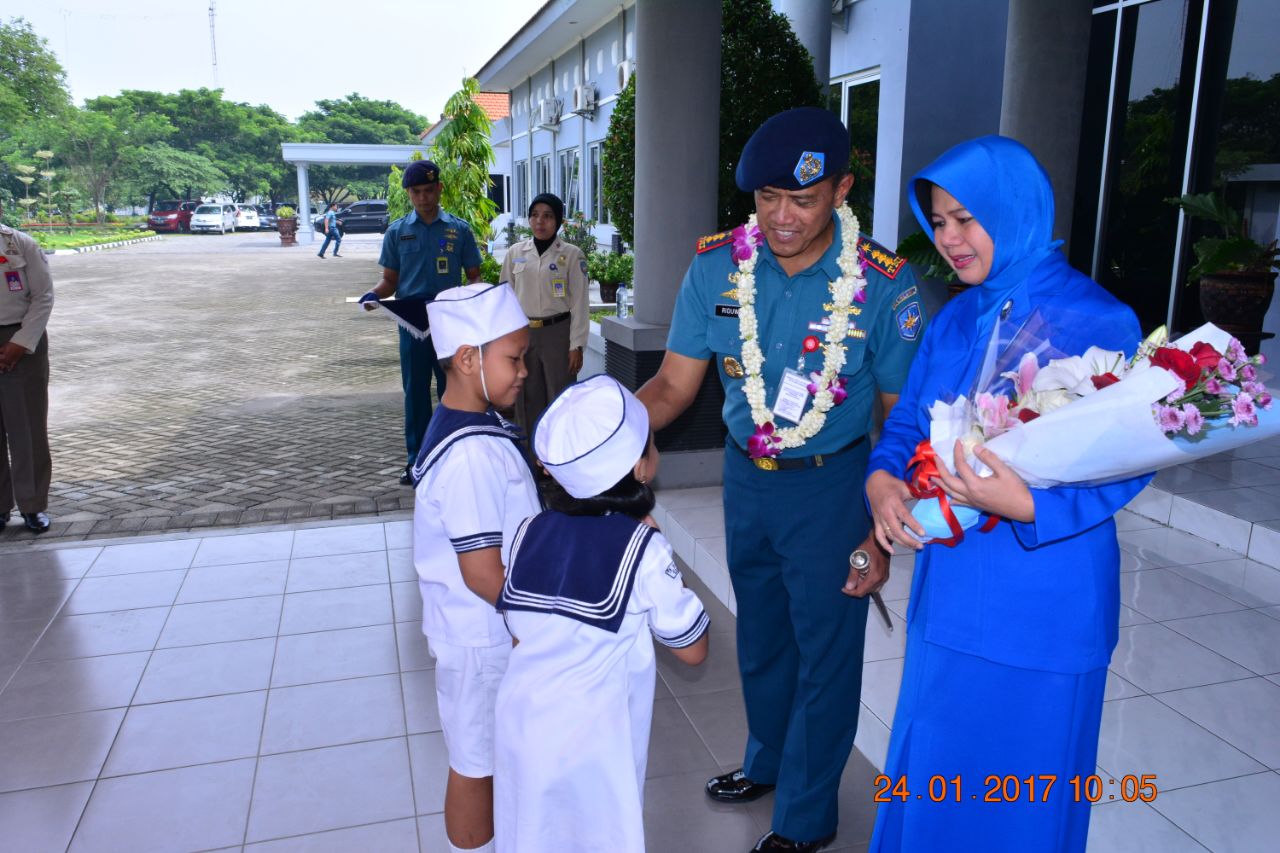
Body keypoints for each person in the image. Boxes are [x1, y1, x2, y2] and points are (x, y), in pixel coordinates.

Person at [635, 107, 925, 853]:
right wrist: (605, 432)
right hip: (747, 480)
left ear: (842, 190)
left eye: (803, 199)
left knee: (826, 651)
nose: (782, 217)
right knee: (762, 636)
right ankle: (767, 760)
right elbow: (672, 386)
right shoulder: (716, 267)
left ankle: (806, 815)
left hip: (834, 487)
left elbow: (900, 422)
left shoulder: (884, 286)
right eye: (768, 198)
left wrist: (878, 536)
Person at [864, 136, 1151, 852]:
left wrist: (1029, 506)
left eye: (967, 218)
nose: (949, 239)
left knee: (1027, 794)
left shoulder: (1098, 319)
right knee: (936, 774)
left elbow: (1129, 458)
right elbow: (907, 423)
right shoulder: (954, 318)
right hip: (953, 590)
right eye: (939, 221)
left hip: (1047, 595)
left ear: (1014, 210)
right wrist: (881, 478)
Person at [493, 374, 710, 853]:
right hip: (592, 741)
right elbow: (692, 649)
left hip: (521, 724)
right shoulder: (643, 548)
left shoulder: (528, 532)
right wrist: (663, 556)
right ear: (640, 467)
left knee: (531, 834)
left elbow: (519, 635)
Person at [412, 282, 537, 853]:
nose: (524, 372)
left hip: (480, 631)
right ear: (468, 359)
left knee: (483, 756)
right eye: (514, 359)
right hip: (483, 636)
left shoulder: (466, 427)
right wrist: (536, 627)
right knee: (475, 763)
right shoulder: (471, 455)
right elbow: (483, 573)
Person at [362, 159, 482, 485]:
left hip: (450, 324)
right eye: (416, 192)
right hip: (412, 324)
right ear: (408, 193)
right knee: (415, 394)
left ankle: (453, 456)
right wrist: (373, 296)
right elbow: (389, 281)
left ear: (439, 189)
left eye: (429, 190)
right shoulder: (397, 232)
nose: (423, 198)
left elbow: (474, 276)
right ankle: (417, 460)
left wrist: (473, 303)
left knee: (453, 391)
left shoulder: (459, 230)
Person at [499, 193, 589, 433]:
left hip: (557, 334)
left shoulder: (572, 255)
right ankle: (529, 452)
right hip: (523, 335)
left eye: (548, 216)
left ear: (557, 221)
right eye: (535, 215)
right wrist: (505, 342)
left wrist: (577, 345)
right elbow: (505, 299)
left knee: (560, 397)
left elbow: (580, 303)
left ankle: (560, 452)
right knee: (526, 398)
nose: (540, 221)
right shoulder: (516, 253)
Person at [0, 209, 54, 533]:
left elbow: (43, 296)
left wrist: (20, 343)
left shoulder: (21, 244)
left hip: (23, 340)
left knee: (28, 430)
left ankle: (33, 506)